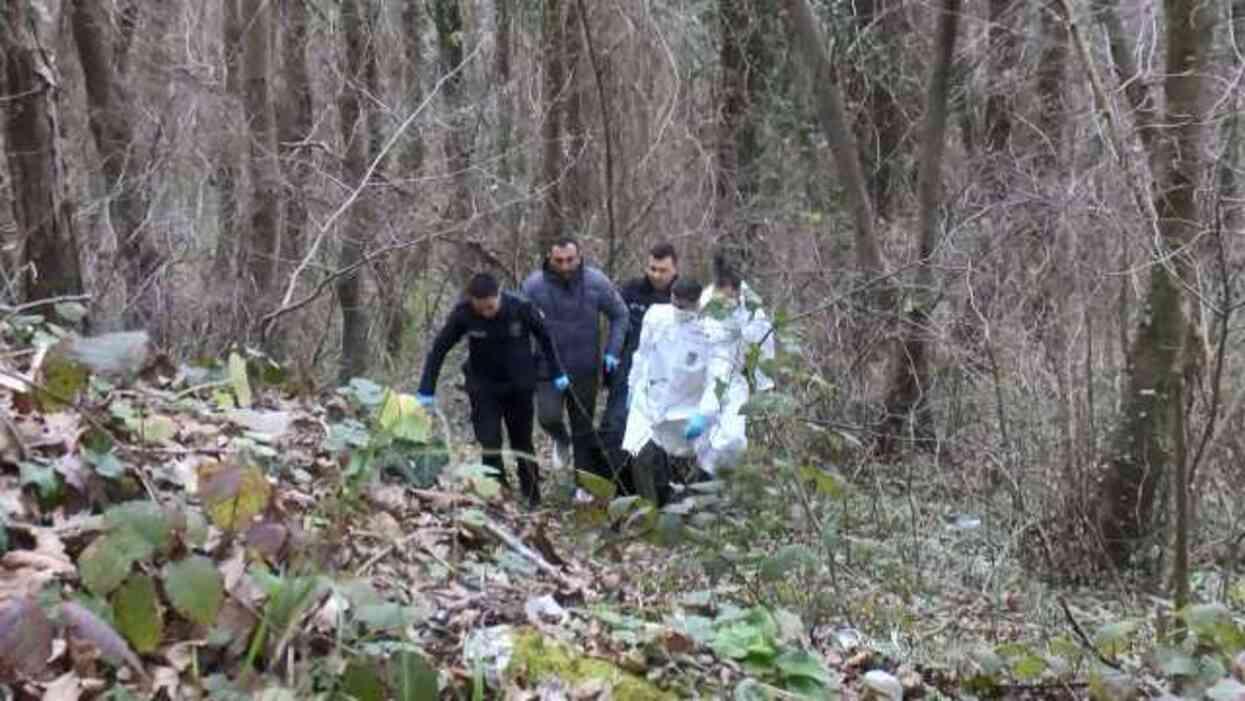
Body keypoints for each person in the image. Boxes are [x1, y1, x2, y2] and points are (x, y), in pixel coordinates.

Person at [415, 273, 568, 508]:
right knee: (489, 440)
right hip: (483, 387)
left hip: (519, 385)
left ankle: (532, 494)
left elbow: (546, 338)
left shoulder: (521, 308)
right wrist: (426, 388)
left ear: (499, 295)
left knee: (522, 442)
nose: (486, 313)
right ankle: (497, 494)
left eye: (490, 307)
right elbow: (439, 348)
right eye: (481, 308)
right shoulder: (463, 314)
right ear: (471, 301)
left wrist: (557, 372)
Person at [622, 278, 750, 506]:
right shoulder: (656, 316)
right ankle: (653, 507)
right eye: (675, 303)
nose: (678, 310)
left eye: (684, 306)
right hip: (652, 399)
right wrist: (632, 386)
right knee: (640, 449)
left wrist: (705, 413)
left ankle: (698, 506)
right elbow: (641, 354)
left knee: (720, 449)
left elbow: (718, 377)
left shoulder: (713, 329)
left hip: (692, 405)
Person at [521, 237, 628, 485]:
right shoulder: (533, 286)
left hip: (585, 369)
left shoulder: (596, 281)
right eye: (559, 261)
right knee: (548, 417)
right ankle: (560, 439)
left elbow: (620, 314)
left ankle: (583, 487)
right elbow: (520, 324)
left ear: (579, 257)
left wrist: (613, 350)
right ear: (549, 258)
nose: (566, 266)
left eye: (570, 260)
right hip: (547, 369)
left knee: (583, 429)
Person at [598, 242, 679, 489]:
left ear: (675, 269)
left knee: (659, 435)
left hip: (668, 375)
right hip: (629, 370)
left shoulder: (683, 296)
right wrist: (611, 354)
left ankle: (662, 490)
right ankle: (615, 488)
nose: (656, 275)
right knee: (615, 427)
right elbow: (617, 323)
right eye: (652, 268)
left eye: (662, 270)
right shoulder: (632, 290)